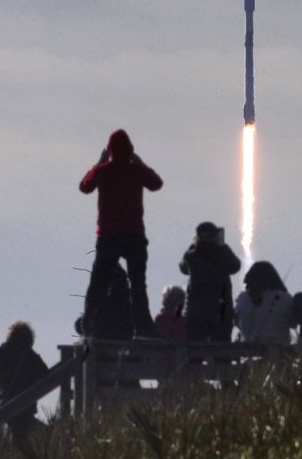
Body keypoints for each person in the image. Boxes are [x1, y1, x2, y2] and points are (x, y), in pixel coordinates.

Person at [79, 129, 163, 337]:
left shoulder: (103, 171)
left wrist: (99, 164)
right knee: (137, 284)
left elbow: (85, 187)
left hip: (108, 235)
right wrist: (140, 164)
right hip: (134, 234)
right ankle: (143, 324)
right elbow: (156, 184)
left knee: (98, 282)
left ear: (110, 151)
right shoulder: (136, 171)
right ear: (130, 150)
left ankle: (88, 319)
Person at [181, 222, 242, 343]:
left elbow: (183, 268)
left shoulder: (191, 256)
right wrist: (223, 245)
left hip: (196, 311)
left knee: (194, 353)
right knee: (222, 352)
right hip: (221, 311)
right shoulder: (223, 254)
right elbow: (236, 266)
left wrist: (194, 245)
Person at [0, 321, 49, 441]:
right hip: (23, 405)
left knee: (20, 436)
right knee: (44, 434)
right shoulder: (28, 356)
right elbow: (45, 374)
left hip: (5, 403)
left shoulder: (3, 355)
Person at [235, 261, 293, 345]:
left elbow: (237, 321)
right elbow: (292, 323)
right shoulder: (286, 298)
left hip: (249, 350)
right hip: (280, 349)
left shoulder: (243, 298)